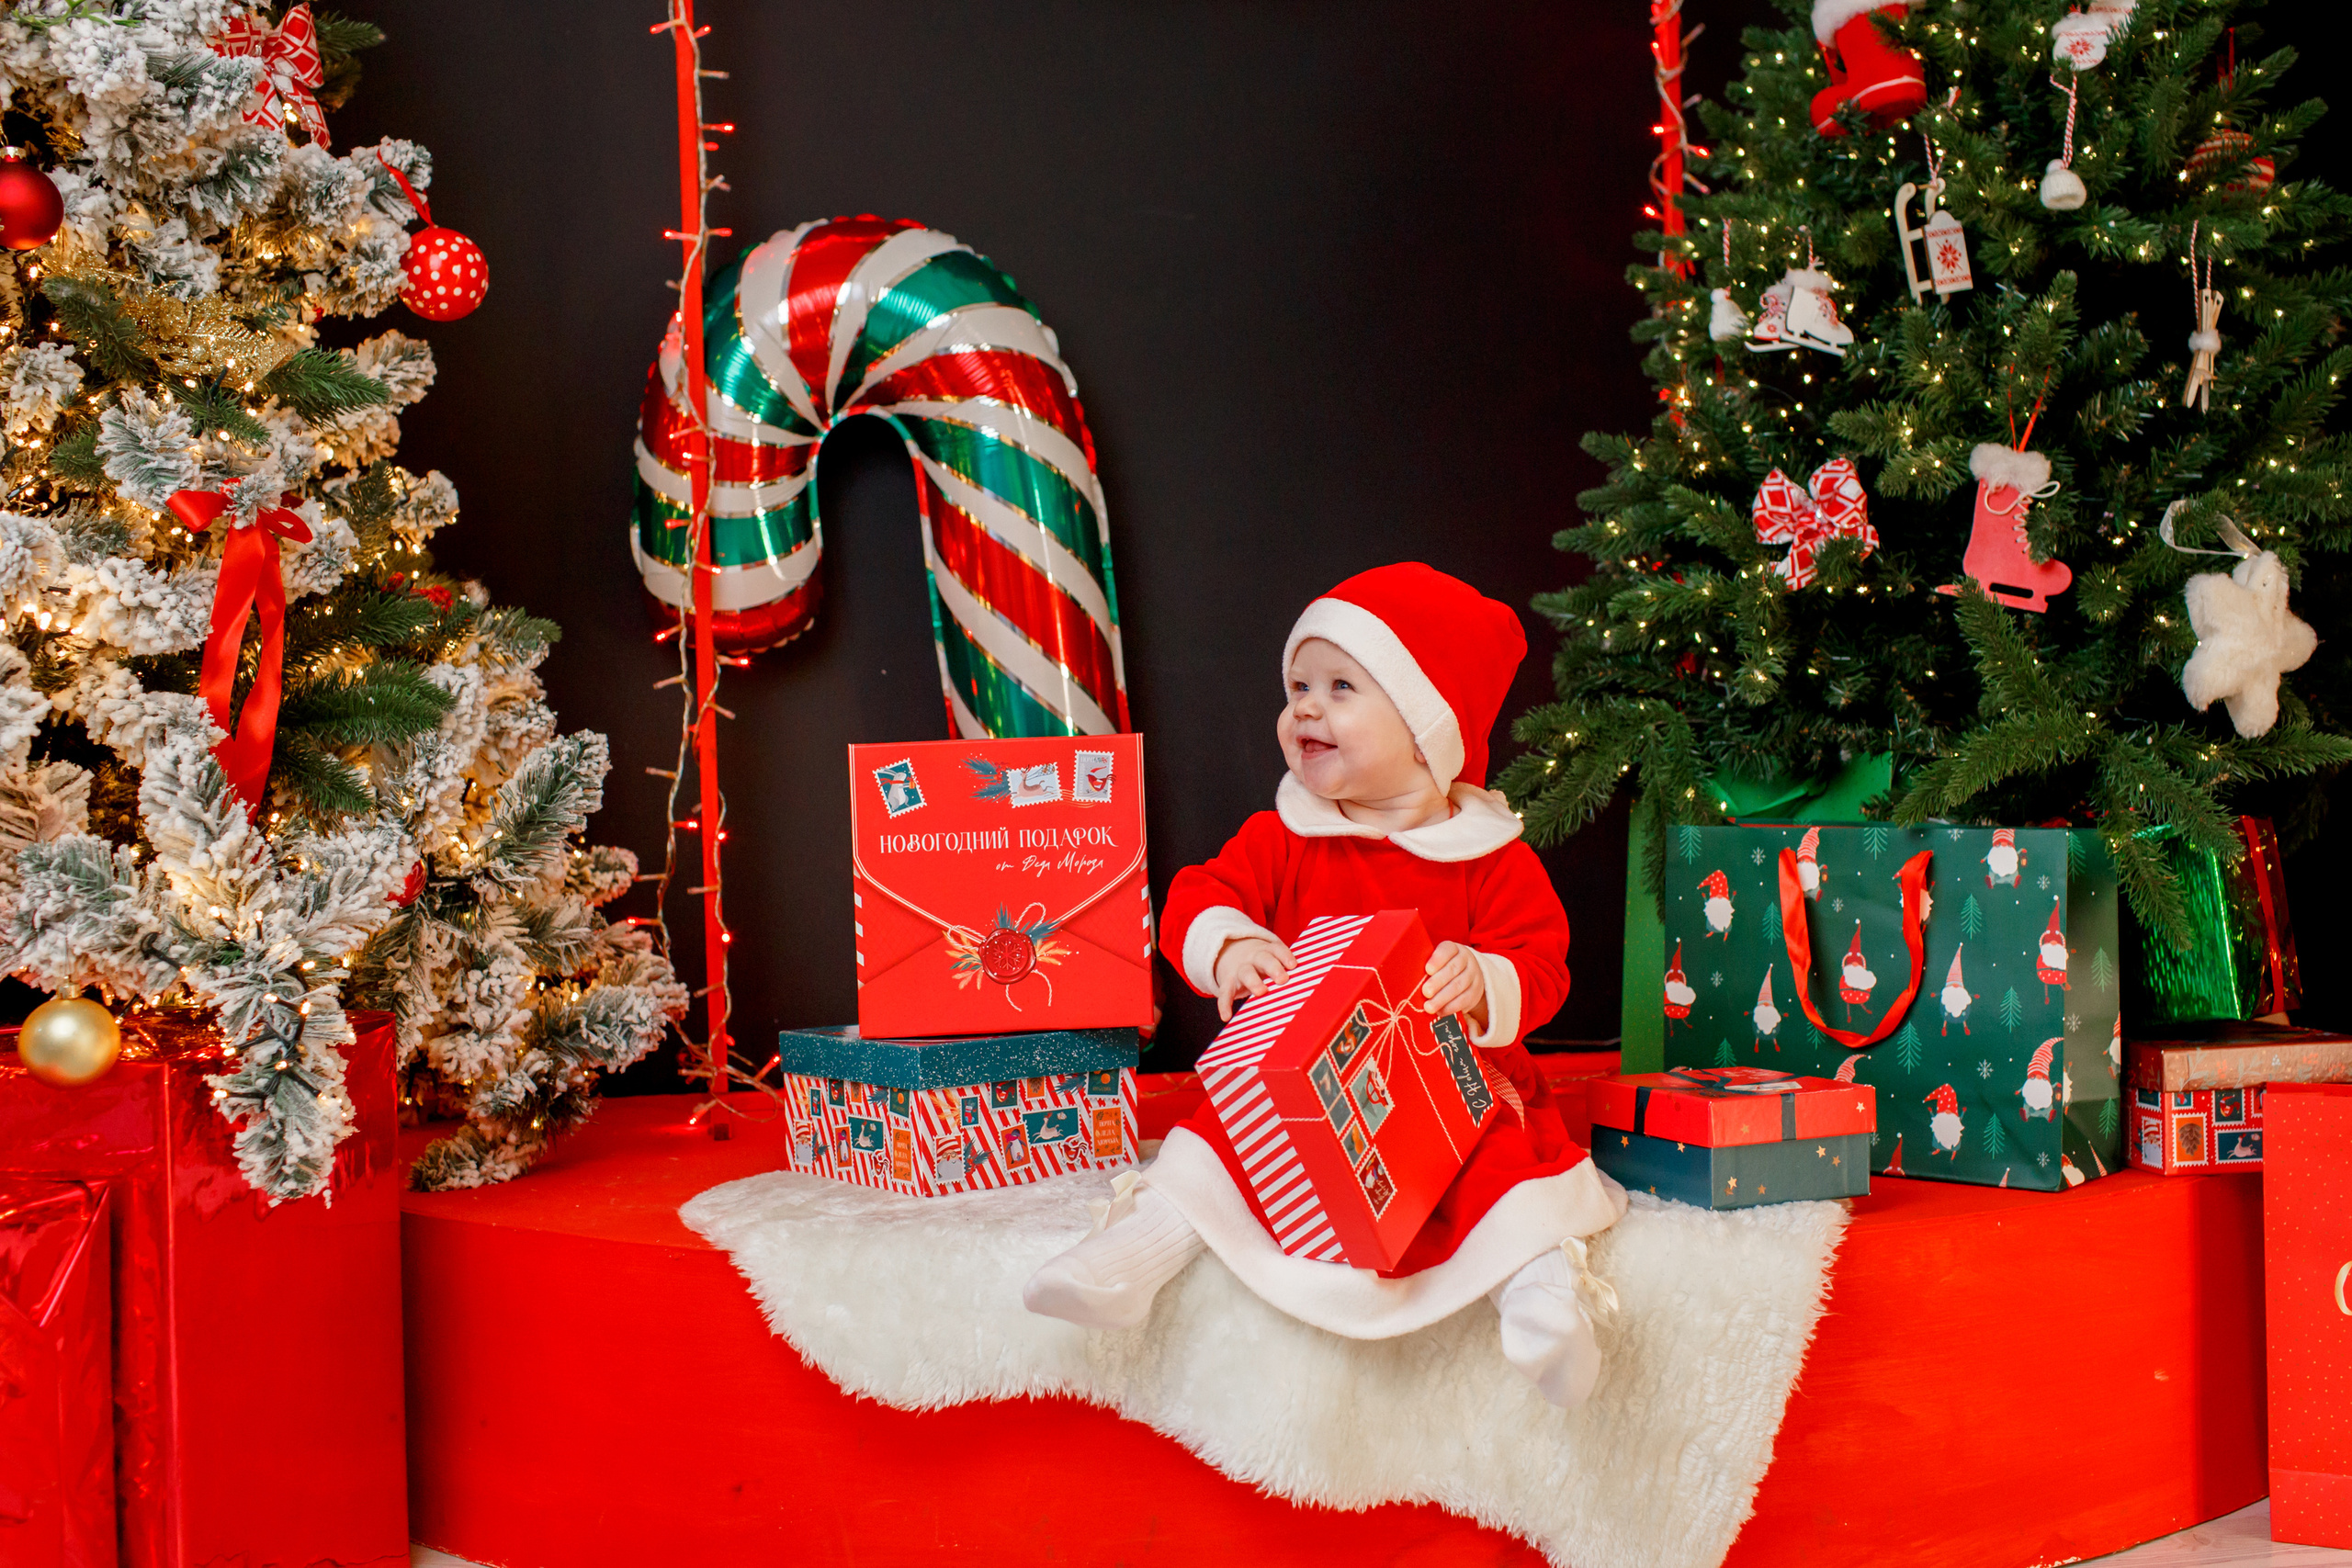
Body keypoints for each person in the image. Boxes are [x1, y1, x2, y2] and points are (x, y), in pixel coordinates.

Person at [1023, 563, 1627, 1409]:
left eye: (1341, 687)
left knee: (1501, 1169)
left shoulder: (1489, 857)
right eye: (1299, 685)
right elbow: (1200, 895)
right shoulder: (1287, 836)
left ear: (1426, 728)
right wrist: (1230, 946)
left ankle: (1540, 1301)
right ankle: (1130, 1256)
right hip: (1301, 1094)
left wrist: (1485, 982)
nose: (1305, 705)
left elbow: (1541, 961)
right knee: (1221, 1136)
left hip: (1449, 1097)